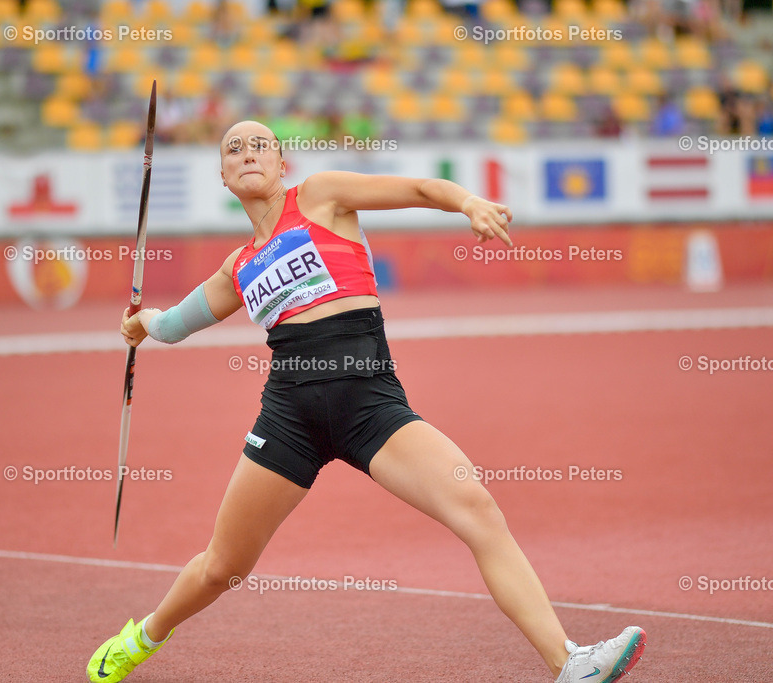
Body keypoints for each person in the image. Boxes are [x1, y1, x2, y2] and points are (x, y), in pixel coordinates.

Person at [88, 120, 646, 682]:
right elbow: (177, 322)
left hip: (370, 405)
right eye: (235, 148)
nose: (249, 153)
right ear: (224, 176)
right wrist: (144, 325)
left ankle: (570, 663)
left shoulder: (323, 195)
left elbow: (423, 190)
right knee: (222, 568)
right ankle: (142, 637)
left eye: (262, 145)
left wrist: (469, 202)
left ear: (283, 164)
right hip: (288, 419)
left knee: (476, 509)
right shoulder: (238, 266)